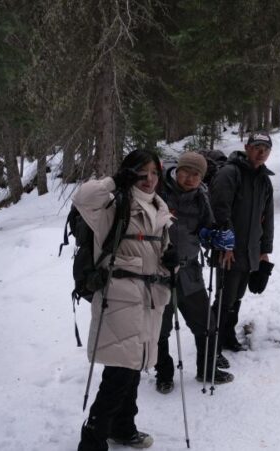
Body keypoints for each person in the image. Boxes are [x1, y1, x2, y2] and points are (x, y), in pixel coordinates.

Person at [74, 149, 173, 450]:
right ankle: (92, 441)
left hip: (149, 300)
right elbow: (82, 199)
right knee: (119, 374)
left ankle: (123, 427)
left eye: (155, 172)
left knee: (132, 369)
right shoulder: (113, 203)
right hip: (119, 299)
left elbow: (158, 257)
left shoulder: (160, 206)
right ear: (130, 173)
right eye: (142, 172)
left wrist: (173, 261)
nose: (150, 178)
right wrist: (113, 182)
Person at [154, 151, 234, 392]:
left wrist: (215, 238)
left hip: (189, 270)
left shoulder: (201, 196)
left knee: (206, 324)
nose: (190, 178)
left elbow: (206, 227)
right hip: (159, 272)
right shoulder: (158, 193)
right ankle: (164, 375)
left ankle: (207, 370)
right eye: (186, 172)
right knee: (161, 328)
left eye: (196, 174)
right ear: (177, 171)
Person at [210, 131, 275, 352]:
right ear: (247, 148)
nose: (261, 152)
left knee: (237, 297)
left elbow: (268, 218)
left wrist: (264, 250)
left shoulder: (264, 180)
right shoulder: (230, 173)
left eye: (265, 149)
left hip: (250, 250)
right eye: (257, 147)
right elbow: (220, 211)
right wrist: (226, 245)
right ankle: (212, 345)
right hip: (229, 251)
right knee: (225, 298)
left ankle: (227, 336)